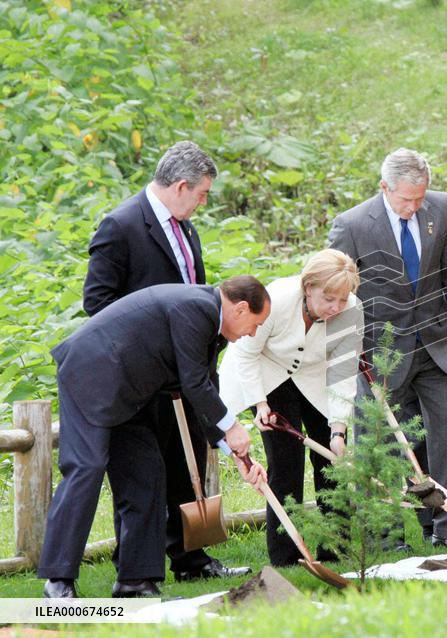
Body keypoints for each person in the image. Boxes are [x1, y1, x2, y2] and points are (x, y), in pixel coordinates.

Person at [38, 277, 270, 599]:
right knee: (86, 469)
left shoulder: (214, 326)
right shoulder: (197, 308)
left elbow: (203, 387)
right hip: (91, 374)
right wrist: (233, 427)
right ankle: (57, 581)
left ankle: (135, 581)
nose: (253, 333)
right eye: (256, 324)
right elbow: (193, 383)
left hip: (130, 394)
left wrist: (236, 454)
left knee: (147, 472)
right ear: (241, 308)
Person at [81, 140, 249, 582]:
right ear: (180, 186)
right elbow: (98, 305)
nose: (204, 202)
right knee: (143, 479)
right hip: (140, 377)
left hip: (186, 375)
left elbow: (199, 297)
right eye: (202, 193)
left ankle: (192, 562)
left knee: (186, 469)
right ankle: (135, 568)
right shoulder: (120, 225)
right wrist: (148, 341)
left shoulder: (186, 229)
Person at [328, 148, 447, 547]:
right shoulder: (352, 225)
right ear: (384, 188)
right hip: (380, 352)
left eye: (420, 198)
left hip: (437, 345)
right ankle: (385, 535)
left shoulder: (441, 208)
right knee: (383, 444)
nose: (414, 207)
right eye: (406, 200)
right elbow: (337, 292)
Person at [218, 249, 363, 566]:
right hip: (269, 375)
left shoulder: (351, 311)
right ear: (308, 286)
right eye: (328, 299)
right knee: (286, 464)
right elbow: (246, 354)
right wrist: (260, 404)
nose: (336, 307)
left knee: (331, 459)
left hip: (316, 377)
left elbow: (343, 371)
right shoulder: (279, 299)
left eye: (342, 299)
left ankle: (336, 547)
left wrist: (338, 429)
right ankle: (286, 556)